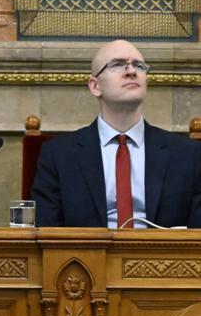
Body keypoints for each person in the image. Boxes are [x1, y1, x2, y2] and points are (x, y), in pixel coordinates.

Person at [31, 39, 201, 228]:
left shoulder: (188, 154)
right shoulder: (59, 155)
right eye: (118, 65)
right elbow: (47, 235)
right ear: (95, 86)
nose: (131, 71)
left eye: (139, 65)